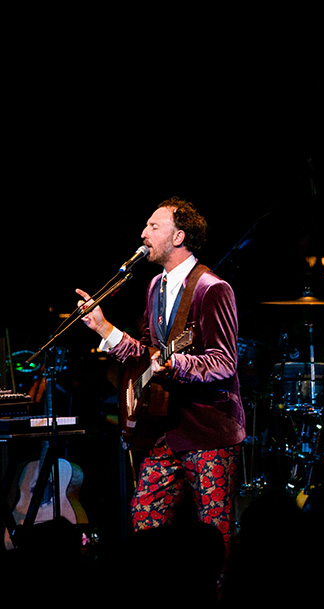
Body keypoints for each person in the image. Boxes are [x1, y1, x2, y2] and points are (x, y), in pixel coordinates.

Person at [76, 197, 245, 556]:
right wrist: (104, 328)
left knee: (216, 536)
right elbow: (149, 353)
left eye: (154, 226)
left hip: (208, 431)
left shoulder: (212, 288)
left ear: (179, 236)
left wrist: (179, 365)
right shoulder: (156, 286)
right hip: (163, 427)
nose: (143, 233)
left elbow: (224, 362)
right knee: (145, 523)